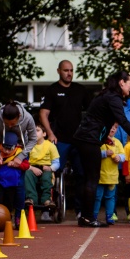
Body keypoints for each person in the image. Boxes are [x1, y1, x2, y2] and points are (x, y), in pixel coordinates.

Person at [73, 71, 130, 228]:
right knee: (92, 178)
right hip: (88, 139)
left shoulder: (108, 96)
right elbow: (123, 121)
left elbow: (102, 118)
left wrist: (105, 139)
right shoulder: (113, 97)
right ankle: (87, 218)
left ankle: (85, 216)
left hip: (88, 139)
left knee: (89, 178)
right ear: (121, 83)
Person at [39, 60, 91, 218]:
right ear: (59, 71)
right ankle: (47, 208)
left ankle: (81, 210)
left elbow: (92, 112)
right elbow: (43, 113)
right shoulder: (52, 90)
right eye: (66, 70)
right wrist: (50, 133)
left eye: (71, 70)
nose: (69, 73)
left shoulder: (80, 90)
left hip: (78, 140)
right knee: (52, 173)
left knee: (82, 174)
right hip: (59, 139)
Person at [0, 101, 38, 222]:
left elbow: (33, 139)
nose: (9, 126)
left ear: (19, 117)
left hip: (21, 151)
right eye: (6, 123)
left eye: (13, 123)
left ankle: (19, 215)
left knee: (19, 184)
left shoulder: (28, 118)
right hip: (1, 151)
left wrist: (20, 157)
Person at [0, 131, 30, 228]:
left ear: (15, 146)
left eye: (9, 148)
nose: (6, 151)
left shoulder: (20, 153)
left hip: (12, 183)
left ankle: (7, 219)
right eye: (5, 147)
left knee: (9, 203)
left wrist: (17, 164)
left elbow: (27, 165)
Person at [94, 123, 125, 225]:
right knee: (97, 196)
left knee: (110, 197)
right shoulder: (100, 141)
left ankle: (109, 215)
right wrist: (104, 154)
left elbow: (124, 156)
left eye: (115, 127)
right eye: (111, 126)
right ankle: (94, 215)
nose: (113, 129)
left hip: (112, 176)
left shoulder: (118, 142)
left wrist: (119, 157)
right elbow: (94, 154)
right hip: (100, 175)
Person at [24, 124, 60, 211]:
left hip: (46, 168)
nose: (34, 132)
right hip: (32, 168)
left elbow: (56, 162)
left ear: (44, 134)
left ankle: (46, 200)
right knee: (27, 174)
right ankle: (31, 199)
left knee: (47, 177)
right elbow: (24, 162)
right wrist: (31, 168)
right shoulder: (28, 146)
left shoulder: (50, 146)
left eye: (37, 130)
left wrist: (51, 168)